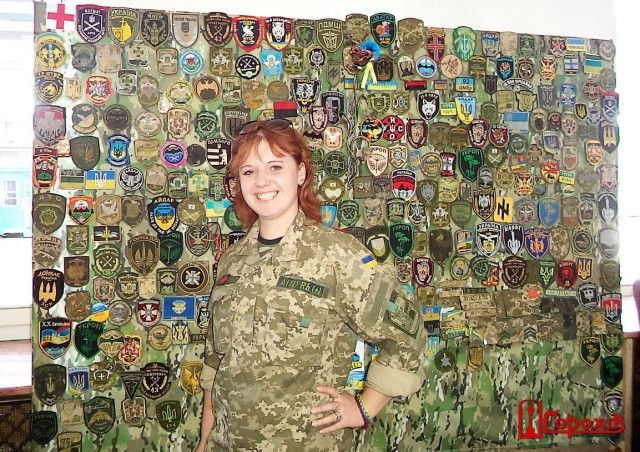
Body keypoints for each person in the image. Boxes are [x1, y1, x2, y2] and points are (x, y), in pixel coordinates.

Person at [195, 119, 425, 451]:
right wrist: (205, 441)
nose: (262, 181)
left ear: (300, 173)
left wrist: (363, 409)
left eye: (275, 166)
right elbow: (215, 366)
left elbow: (407, 335)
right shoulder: (232, 261)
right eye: (249, 171)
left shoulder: (338, 255)